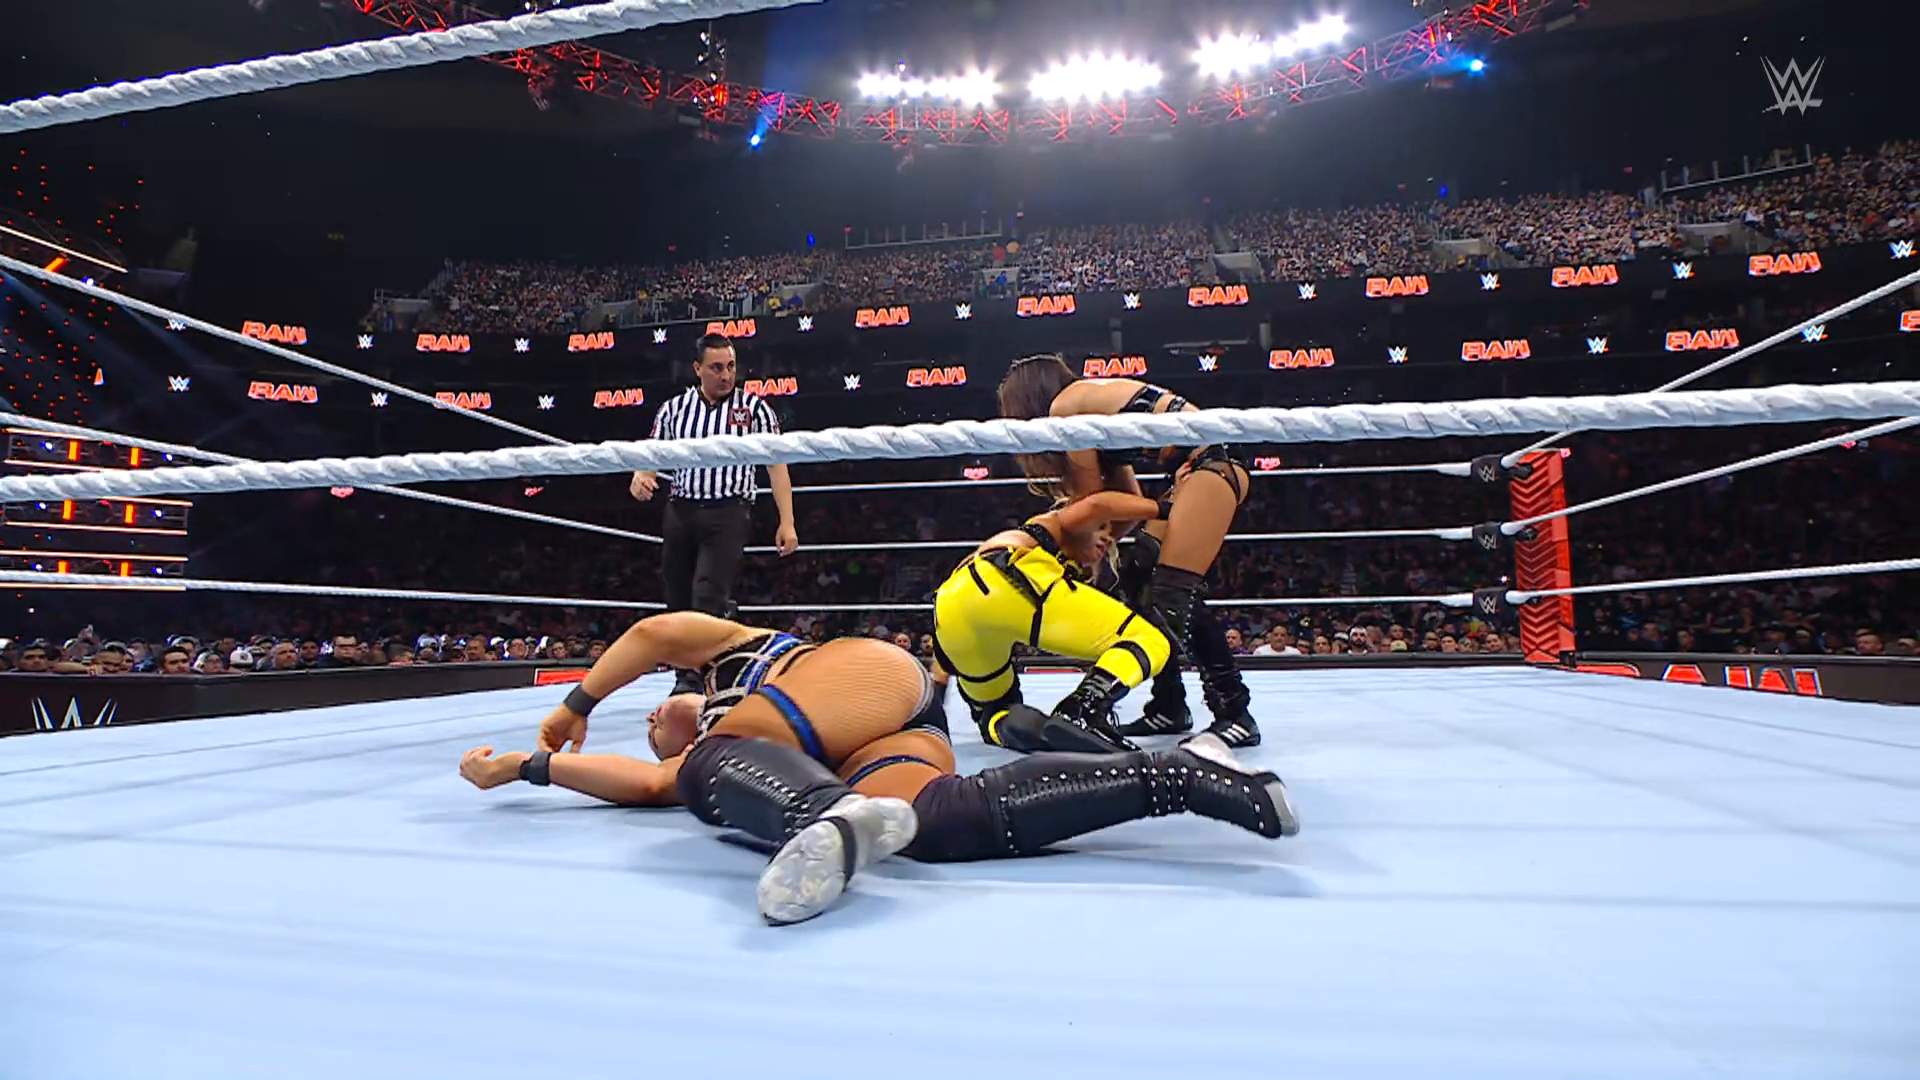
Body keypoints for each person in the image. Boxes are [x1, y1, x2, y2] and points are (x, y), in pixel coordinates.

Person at [458, 609, 1299, 926]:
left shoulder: (734, 661)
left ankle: (821, 823)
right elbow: (646, 781)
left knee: (713, 759)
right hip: (881, 738)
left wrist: (576, 706)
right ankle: (1180, 776)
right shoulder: (721, 754)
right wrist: (525, 769)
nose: (654, 722)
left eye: (654, 714)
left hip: (856, 678)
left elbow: (651, 635)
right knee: (936, 823)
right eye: (654, 731)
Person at [997, 354, 1261, 748]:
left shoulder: (1065, 408)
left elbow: (1092, 503)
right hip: (1197, 469)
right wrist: (1101, 548)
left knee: (1173, 594)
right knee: (1137, 574)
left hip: (1213, 464)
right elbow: (1125, 500)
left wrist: (1080, 550)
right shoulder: (1088, 403)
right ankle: (1169, 706)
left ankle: (1235, 713)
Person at [930, 489, 1176, 755]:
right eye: (1101, 528)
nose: (1108, 538)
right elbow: (1097, 504)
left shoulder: (1047, 559)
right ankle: (1082, 709)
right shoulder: (1053, 525)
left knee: (995, 711)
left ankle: (1041, 733)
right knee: (1149, 640)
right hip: (1003, 577)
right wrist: (1170, 509)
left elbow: (949, 637)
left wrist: (937, 690)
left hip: (949, 609)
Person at [630, 333, 799, 694]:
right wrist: (641, 476)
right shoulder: (674, 409)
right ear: (698, 369)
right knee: (677, 597)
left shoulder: (754, 409)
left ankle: (693, 682)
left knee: (706, 594)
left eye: (731, 366)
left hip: (728, 511)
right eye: (717, 367)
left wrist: (787, 521)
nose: (726, 375)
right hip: (681, 510)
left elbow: (776, 464)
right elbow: (651, 453)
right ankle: (691, 667)